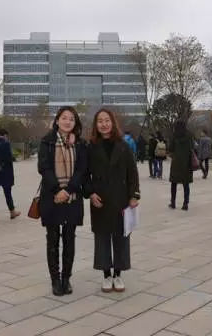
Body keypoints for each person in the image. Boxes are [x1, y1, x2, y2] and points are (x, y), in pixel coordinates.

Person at [86, 108, 140, 293]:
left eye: (107, 120)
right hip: (100, 199)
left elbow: (132, 172)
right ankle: (106, 275)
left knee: (120, 237)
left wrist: (134, 195)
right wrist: (90, 193)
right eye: (100, 121)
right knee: (102, 238)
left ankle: (118, 274)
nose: (104, 124)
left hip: (120, 198)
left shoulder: (123, 146)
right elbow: (85, 174)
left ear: (113, 122)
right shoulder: (91, 146)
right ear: (96, 124)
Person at [38, 106, 87, 297]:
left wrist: (68, 190)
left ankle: (66, 278)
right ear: (57, 120)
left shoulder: (80, 143)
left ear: (75, 123)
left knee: (69, 239)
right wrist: (57, 190)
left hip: (72, 197)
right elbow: (44, 167)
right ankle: (55, 280)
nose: (68, 122)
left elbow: (82, 169)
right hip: (52, 197)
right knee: (52, 239)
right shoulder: (47, 141)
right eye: (64, 118)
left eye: (72, 119)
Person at [169, 121, 193, 211]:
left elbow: (171, 148)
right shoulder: (189, 135)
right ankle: (185, 204)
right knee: (186, 184)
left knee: (173, 183)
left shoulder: (174, 136)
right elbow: (192, 147)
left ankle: (173, 203)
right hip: (187, 162)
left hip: (176, 163)